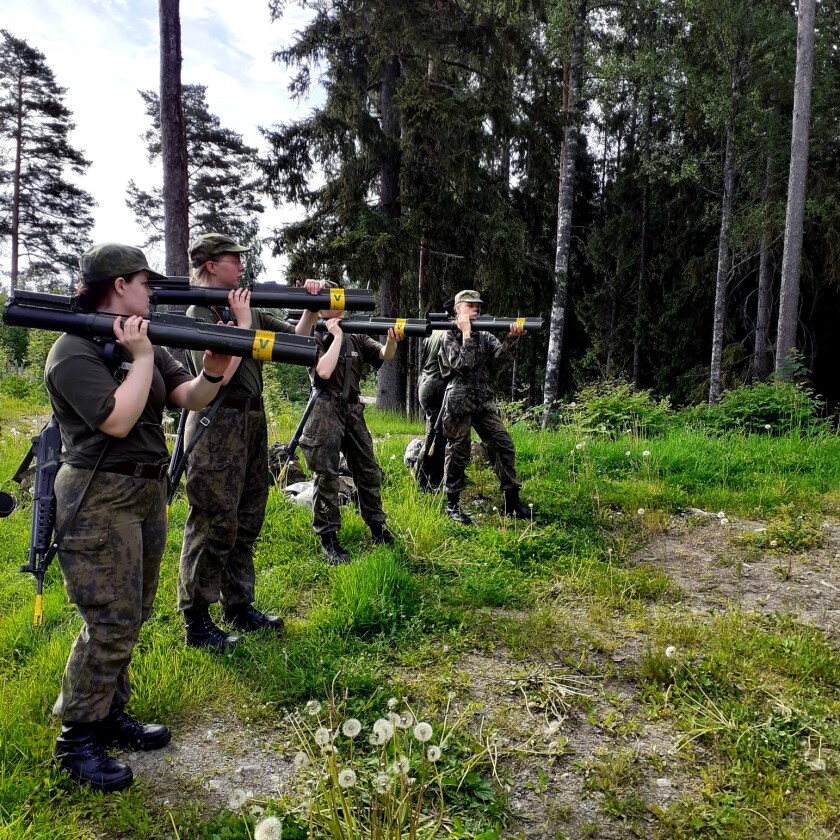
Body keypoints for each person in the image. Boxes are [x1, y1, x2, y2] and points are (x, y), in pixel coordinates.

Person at [44, 243, 233, 792]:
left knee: (134, 612)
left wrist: (213, 373)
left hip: (146, 491)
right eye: (145, 282)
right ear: (119, 285)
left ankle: (107, 714)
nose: (152, 291)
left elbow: (188, 396)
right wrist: (143, 357)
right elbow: (117, 421)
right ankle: (76, 739)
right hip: (97, 495)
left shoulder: (142, 340)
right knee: (110, 618)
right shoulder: (72, 349)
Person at [177, 233, 321, 651]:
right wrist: (242, 327)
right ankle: (197, 619)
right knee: (213, 519)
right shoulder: (197, 311)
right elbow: (216, 375)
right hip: (216, 420)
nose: (241, 266)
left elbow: (296, 342)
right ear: (210, 265)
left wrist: (311, 308)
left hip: (252, 419)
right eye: (233, 259)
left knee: (247, 514)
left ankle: (238, 604)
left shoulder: (249, 306)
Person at [299, 310, 403, 563]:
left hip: (353, 409)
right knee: (327, 474)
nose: (341, 306)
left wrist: (392, 341)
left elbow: (384, 354)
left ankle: (378, 528)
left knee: (368, 470)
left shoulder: (356, 333)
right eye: (334, 301)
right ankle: (329, 538)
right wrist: (336, 336)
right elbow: (323, 372)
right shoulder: (313, 333)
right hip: (324, 407)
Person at [439, 289, 532, 525]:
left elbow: (500, 360)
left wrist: (511, 338)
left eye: (477, 306)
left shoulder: (485, 335)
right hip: (459, 401)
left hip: (482, 400)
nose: (475, 310)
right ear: (458, 309)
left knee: (502, 444)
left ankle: (511, 502)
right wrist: (466, 334)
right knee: (458, 451)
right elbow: (463, 364)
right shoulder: (449, 336)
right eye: (470, 306)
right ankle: (452, 505)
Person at [416, 328, 447, 491]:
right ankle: (423, 478)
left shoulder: (434, 332)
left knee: (435, 434)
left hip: (426, 382)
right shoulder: (448, 334)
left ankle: (431, 476)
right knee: (435, 436)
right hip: (436, 386)